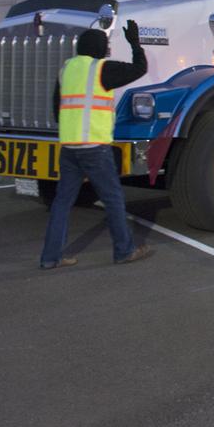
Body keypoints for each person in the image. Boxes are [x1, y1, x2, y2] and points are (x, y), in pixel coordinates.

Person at [39, 19, 153, 269]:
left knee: (62, 202)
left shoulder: (66, 69)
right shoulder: (101, 68)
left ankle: (50, 257)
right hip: (94, 147)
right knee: (113, 199)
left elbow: (57, 110)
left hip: (69, 148)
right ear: (100, 48)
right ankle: (124, 250)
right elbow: (140, 68)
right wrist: (135, 43)